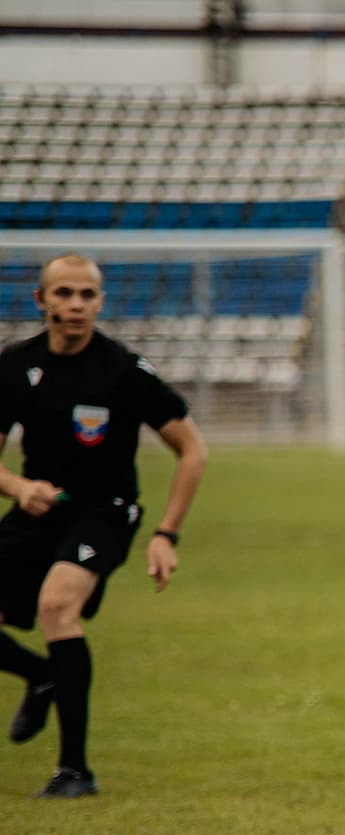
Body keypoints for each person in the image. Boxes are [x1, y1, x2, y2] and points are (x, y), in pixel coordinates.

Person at [0, 254, 208, 798]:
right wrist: (20, 488)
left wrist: (167, 534)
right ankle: (40, 675)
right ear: (41, 300)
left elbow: (192, 450)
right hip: (37, 509)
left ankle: (74, 770)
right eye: (64, 293)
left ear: (101, 301)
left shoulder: (123, 370)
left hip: (105, 512)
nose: (76, 305)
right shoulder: (14, 366)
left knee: (56, 604)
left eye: (87, 295)